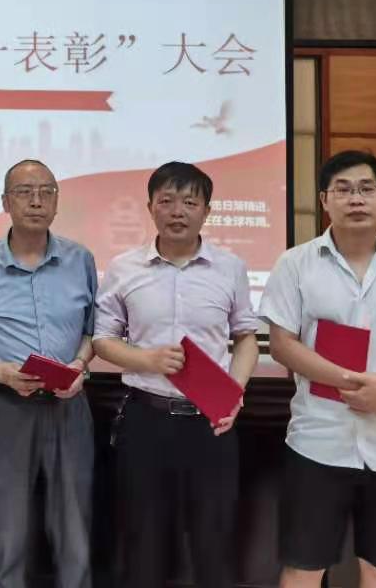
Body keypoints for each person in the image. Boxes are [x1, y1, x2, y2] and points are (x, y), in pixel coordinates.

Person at [260, 149, 376, 588]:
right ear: (325, 200)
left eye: (367, 188)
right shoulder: (295, 263)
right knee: (303, 567)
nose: (356, 198)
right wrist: (353, 384)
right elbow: (283, 345)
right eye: (343, 190)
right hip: (318, 440)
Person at [93, 161, 259, 588]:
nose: (177, 211)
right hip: (145, 419)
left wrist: (235, 389)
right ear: (151, 207)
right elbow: (102, 340)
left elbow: (246, 338)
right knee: (143, 541)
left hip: (210, 421)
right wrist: (145, 359)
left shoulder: (230, 268)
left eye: (189, 202)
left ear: (207, 211)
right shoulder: (124, 268)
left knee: (213, 542)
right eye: (166, 201)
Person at [0, 159, 98, 588]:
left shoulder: (80, 259)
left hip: (69, 408)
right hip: (6, 407)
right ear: (5, 202)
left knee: (75, 532)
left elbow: (93, 331)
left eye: (46, 192)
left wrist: (79, 364)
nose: (36, 201)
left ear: (57, 201)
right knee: (7, 531)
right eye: (24, 192)